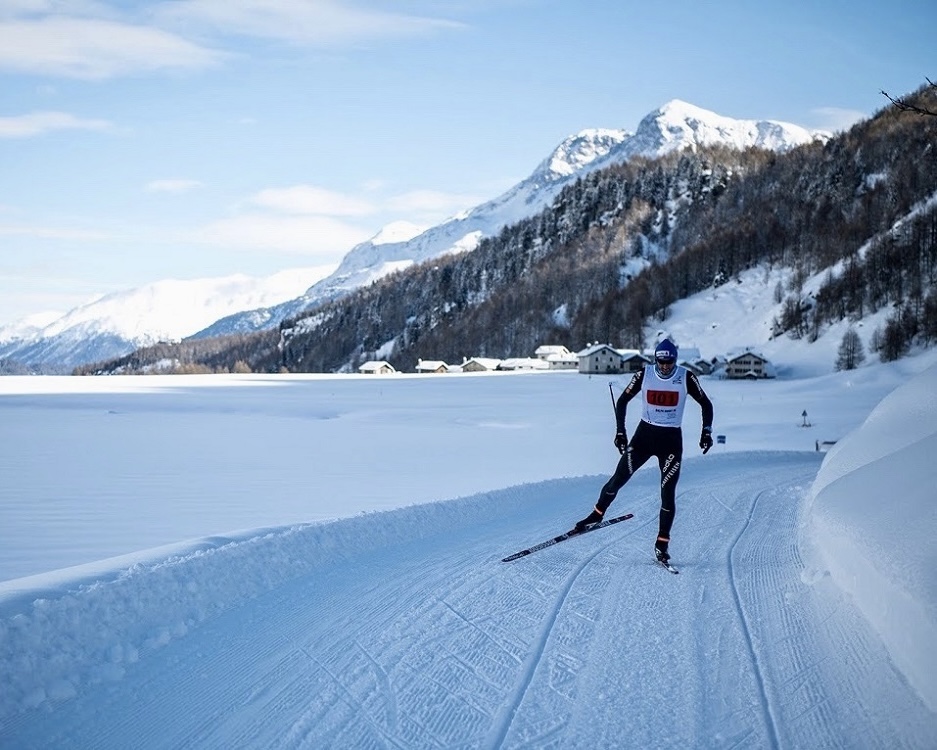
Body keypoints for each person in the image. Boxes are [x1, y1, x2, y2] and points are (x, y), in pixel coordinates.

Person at [574, 339, 714, 564]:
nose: (665, 367)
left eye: (669, 363)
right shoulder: (644, 375)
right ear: (655, 359)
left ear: (675, 361)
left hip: (670, 442)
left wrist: (706, 432)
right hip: (644, 438)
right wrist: (620, 432)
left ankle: (662, 544)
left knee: (667, 494)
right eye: (661, 362)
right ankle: (596, 515)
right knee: (617, 479)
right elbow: (622, 401)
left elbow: (706, 404)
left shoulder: (686, 377)